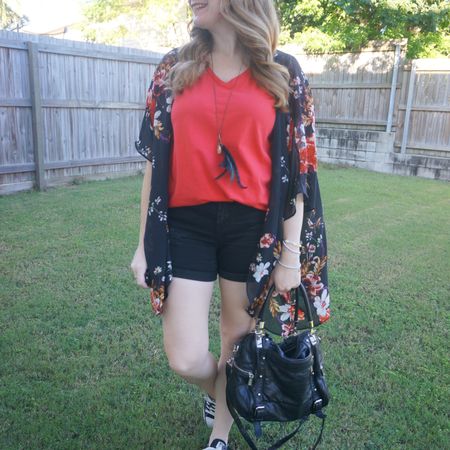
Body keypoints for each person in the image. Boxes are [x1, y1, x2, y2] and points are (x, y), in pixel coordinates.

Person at [130, 1, 330, 449]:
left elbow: (299, 170)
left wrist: (291, 253)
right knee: (184, 356)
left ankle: (220, 434)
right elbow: (153, 162)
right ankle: (218, 391)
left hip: (252, 228)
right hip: (186, 223)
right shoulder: (174, 67)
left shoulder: (282, 71)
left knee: (235, 339)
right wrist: (144, 243)